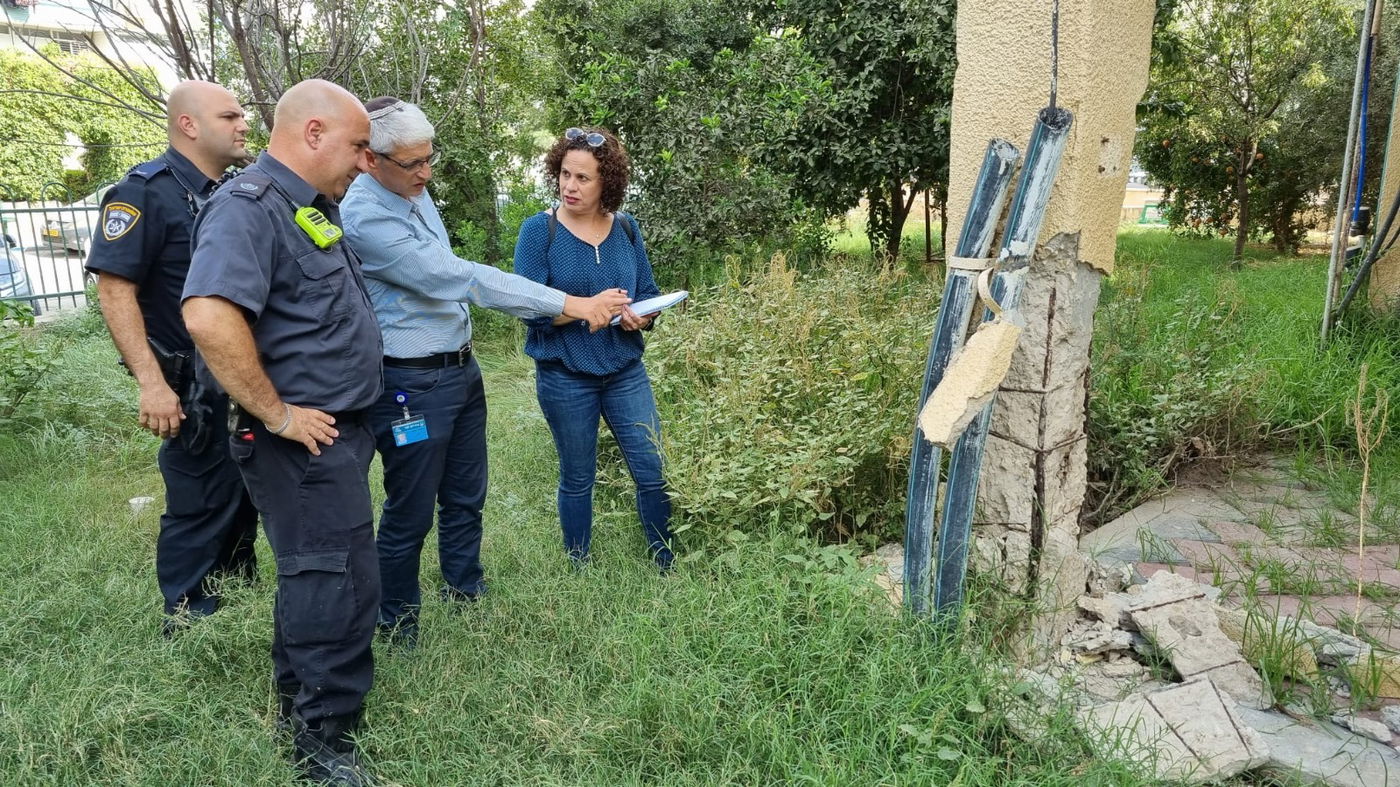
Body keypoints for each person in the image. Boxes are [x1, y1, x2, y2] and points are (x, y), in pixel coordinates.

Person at [340, 98, 631, 647]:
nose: (426, 173)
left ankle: (465, 588)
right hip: (411, 382)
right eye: (412, 164)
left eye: (430, 158)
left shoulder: (411, 188)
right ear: (369, 160)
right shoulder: (366, 218)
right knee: (411, 507)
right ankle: (398, 619)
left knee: (466, 493)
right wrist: (569, 302)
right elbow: (462, 279)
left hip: (459, 369)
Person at [182, 79, 381, 786]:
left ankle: (305, 699)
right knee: (334, 576)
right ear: (315, 133)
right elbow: (208, 315)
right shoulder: (250, 207)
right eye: (358, 146)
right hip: (298, 440)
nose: (364, 161)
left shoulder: (311, 207)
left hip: (339, 431)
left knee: (321, 571)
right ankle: (320, 739)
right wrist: (280, 414)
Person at [84, 80, 258, 635]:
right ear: (189, 124)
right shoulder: (143, 192)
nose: (243, 124)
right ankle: (186, 615)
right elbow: (115, 291)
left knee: (244, 487)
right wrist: (152, 384)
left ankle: (237, 585)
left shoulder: (230, 190)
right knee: (198, 495)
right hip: (187, 381)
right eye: (230, 116)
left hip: (238, 372)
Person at [514, 127, 677, 571]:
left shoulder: (626, 227)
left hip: (625, 370)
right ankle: (579, 564)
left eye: (583, 178)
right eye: (565, 174)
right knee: (578, 476)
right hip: (565, 375)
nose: (570, 186)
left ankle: (665, 560)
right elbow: (529, 308)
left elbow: (646, 290)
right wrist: (585, 310)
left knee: (652, 469)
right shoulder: (538, 231)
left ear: (608, 181)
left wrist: (642, 315)